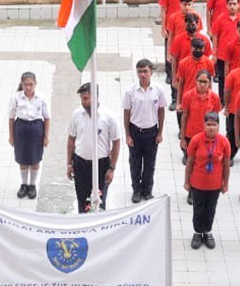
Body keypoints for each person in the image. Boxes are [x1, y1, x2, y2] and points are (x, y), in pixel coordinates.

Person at [66, 83, 121, 213]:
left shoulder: (109, 117)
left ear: (95, 98)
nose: (82, 102)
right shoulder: (77, 114)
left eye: (85, 98)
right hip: (81, 164)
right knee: (82, 200)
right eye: (81, 99)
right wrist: (69, 164)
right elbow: (71, 139)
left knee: (99, 202)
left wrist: (112, 168)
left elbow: (116, 142)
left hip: (101, 164)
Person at [121, 59, 168, 204]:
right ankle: (136, 190)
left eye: (145, 71)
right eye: (140, 71)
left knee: (149, 163)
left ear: (151, 72)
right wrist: (128, 135)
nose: (142, 75)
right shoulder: (130, 91)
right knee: (135, 163)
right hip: (135, 132)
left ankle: (147, 190)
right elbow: (126, 113)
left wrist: (160, 133)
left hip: (151, 132)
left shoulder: (158, 90)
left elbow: (161, 111)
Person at [183, 112, 231, 250]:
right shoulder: (196, 140)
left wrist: (225, 183)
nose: (211, 128)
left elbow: (226, 164)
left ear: (218, 126)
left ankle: (207, 231)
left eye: (214, 125)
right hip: (198, 183)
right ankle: (198, 232)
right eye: (208, 124)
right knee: (198, 208)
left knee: (210, 209)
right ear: (203, 125)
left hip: (215, 184)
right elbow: (190, 162)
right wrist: (187, 181)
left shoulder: (224, 142)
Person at [7, 72, 50, 200]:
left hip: (36, 129)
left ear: (35, 84)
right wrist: (11, 135)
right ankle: (24, 184)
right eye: (25, 85)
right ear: (22, 84)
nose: (28, 87)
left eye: (31, 84)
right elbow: (11, 117)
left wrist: (46, 136)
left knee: (35, 159)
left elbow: (47, 118)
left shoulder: (41, 98)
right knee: (22, 158)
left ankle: (32, 185)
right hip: (20, 128)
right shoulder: (16, 98)